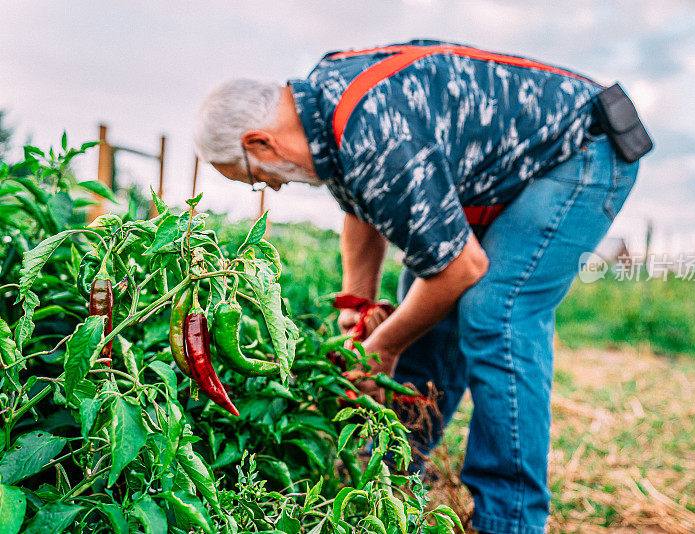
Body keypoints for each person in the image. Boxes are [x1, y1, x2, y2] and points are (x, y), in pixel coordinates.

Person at [194, 39, 648, 534]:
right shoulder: (324, 103)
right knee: (426, 307)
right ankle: (389, 478)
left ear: (261, 143)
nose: (272, 187)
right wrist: (357, 307)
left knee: (496, 310)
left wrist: (382, 348)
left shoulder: (373, 138)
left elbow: (459, 268)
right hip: (502, 171)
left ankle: (509, 519)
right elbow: (359, 205)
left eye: (253, 178)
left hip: (580, 148)